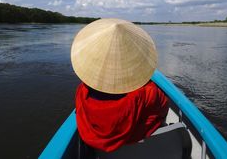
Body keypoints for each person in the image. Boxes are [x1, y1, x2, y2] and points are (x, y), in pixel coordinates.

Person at [71, 18, 169, 152]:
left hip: (95, 146)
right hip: (136, 143)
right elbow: (162, 111)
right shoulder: (148, 92)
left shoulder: (82, 91)